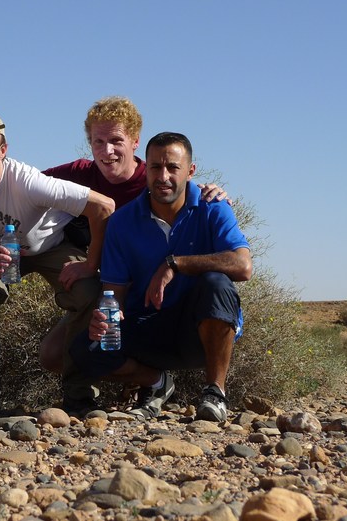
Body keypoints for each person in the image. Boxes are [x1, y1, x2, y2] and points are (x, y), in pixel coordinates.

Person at [0, 110, 115, 416]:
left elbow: (103, 206)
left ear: (3, 151)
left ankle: (79, 396)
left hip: (49, 246)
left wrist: (91, 263)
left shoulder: (29, 182)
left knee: (87, 290)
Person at [70, 131, 252, 422]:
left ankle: (215, 392)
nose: (163, 176)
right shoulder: (122, 222)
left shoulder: (212, 208)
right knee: (86, 349)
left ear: (190, 171)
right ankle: (156, 382)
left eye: (173, 168)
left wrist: (175, 263)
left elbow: (243, 266)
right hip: (149, 328)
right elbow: (113, 294)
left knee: (216, 283)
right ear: (146, 169)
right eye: (155, 167)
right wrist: (105, 319)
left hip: (198, 333)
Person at [40, 96, 229, 376]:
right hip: (114, 288)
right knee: (55, 355)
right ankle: (150, 381)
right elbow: (26, 183)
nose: (107, 151)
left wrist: (211, 194)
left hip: (163, 292)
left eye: (117, 141)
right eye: (98, 142)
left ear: (135, 141)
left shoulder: (155, 181)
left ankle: (212, 387)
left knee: (213, 288)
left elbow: (186, 194)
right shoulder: (79, 174)